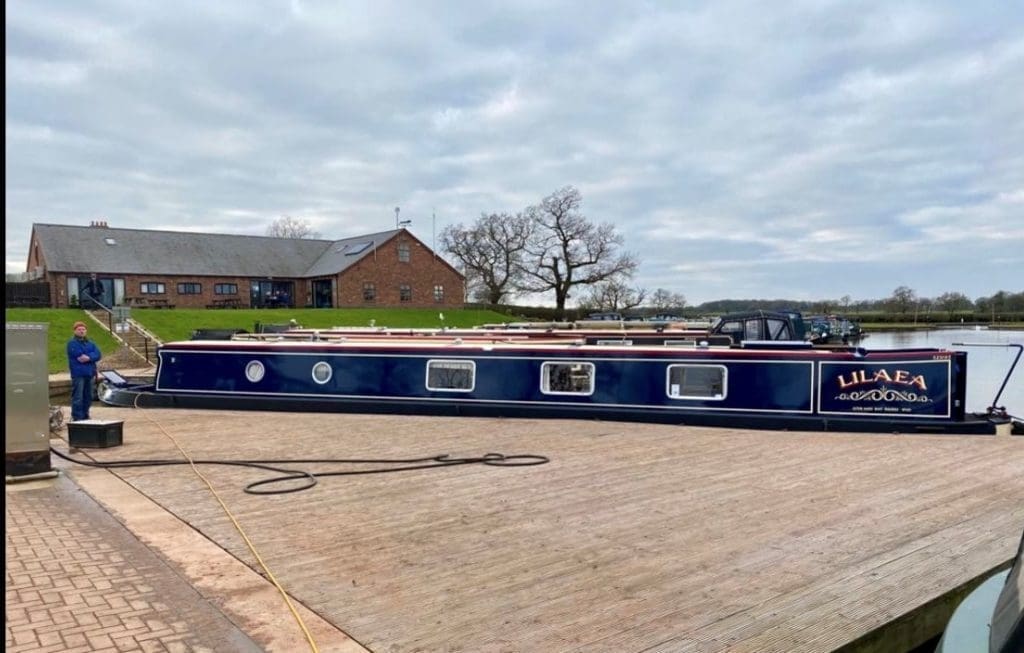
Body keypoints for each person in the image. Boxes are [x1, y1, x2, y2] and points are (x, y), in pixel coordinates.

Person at [67, 321, 102, 421]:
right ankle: (77, 417)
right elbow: (80, 356)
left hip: (90, 373)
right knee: (78, 396)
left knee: (88, 396)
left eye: (83, 329)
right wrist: (91, 356)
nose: (82, 331)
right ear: (75, 331)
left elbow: (98, 354)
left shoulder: (90, 343)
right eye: (79, 330)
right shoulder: (72, 343)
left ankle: (85, 414)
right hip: (78, 374)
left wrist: (89, 357)